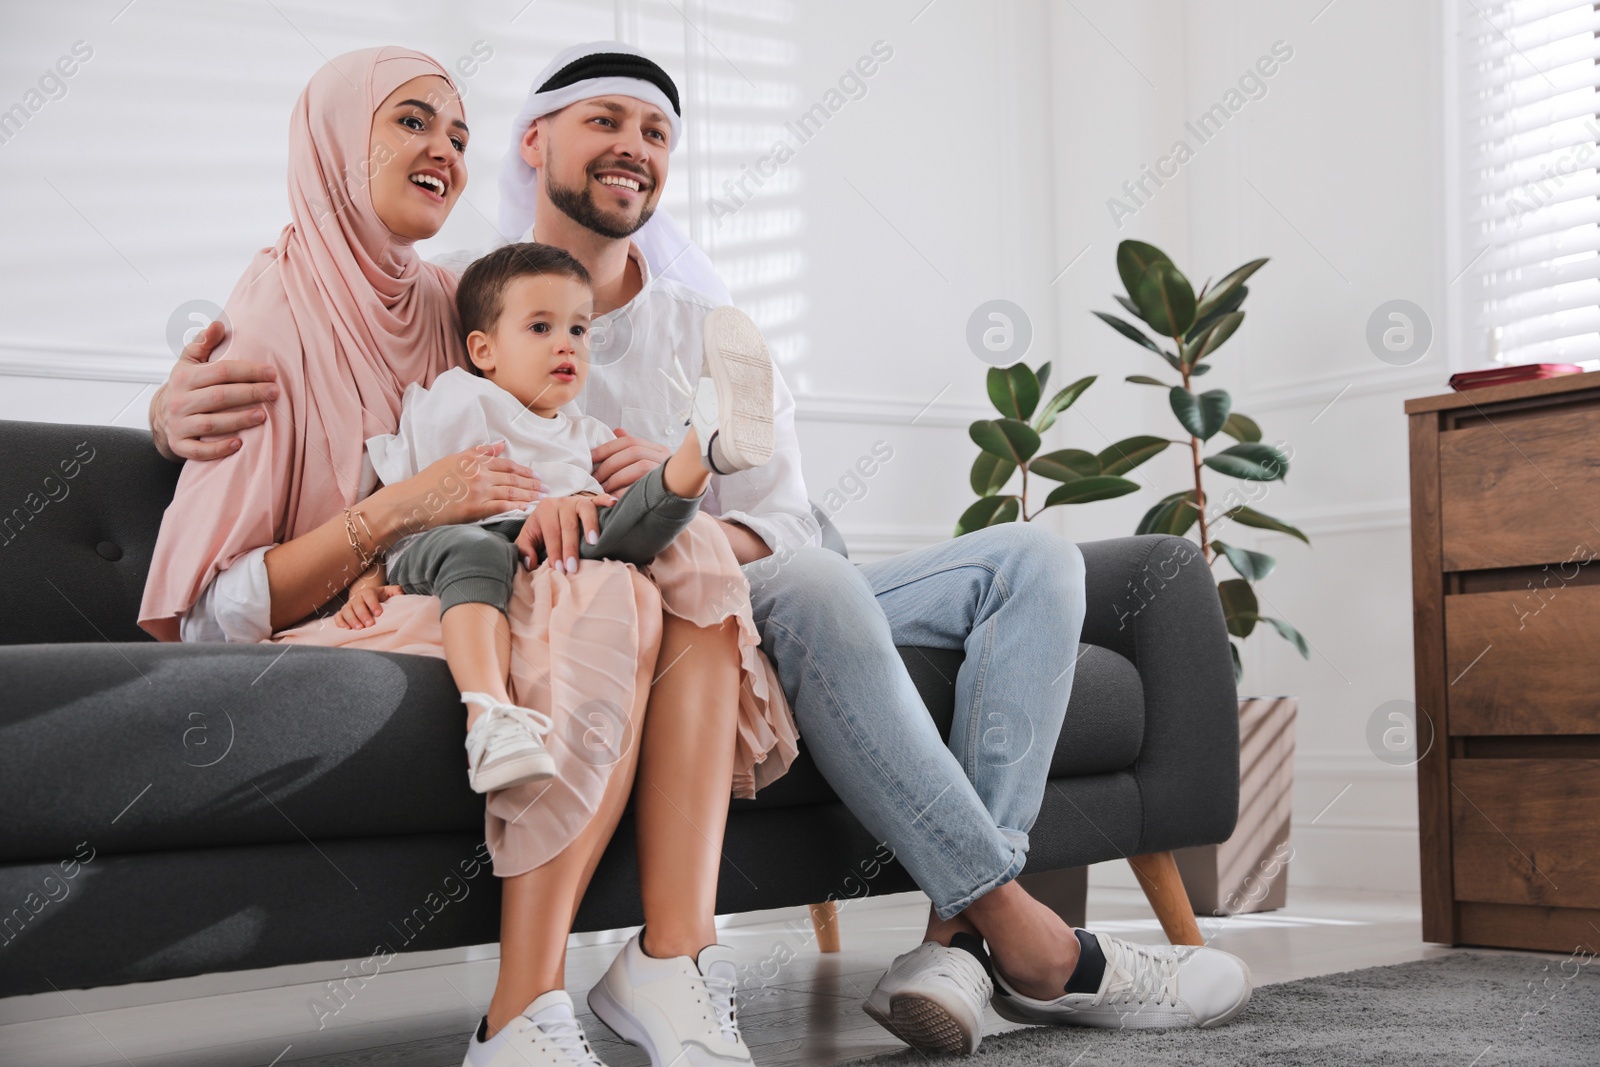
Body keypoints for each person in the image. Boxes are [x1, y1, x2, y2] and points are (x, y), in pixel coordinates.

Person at [149, 41, 1253, 1058]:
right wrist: (170, 408)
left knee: (1036, 560)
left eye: (658, 131)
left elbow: (784, 517)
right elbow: (366, 401)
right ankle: (1021, 933)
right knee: (792, 581)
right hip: (668, 582)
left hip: (754, 568)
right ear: (534, 141)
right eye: (605, 121)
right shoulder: (470, 294)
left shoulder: (701, 323)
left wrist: (677, 491)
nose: (635, 147)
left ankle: (954, 941)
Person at [137, 47, 795, 1067]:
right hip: (356, 606)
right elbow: (213, 613)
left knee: (695, 555)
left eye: (456, 132)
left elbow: (532, 399)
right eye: (409, 122)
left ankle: (673, 955)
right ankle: (520, 1011)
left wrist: (614, 467)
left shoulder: (445, 298)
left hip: (474, 566)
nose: (442, 147)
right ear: (333, 142)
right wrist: (388, 507)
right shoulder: (269, 320)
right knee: (605, 596)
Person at [335, 240, 778, 799]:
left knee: (620, 533)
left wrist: (611, 502)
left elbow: (616, 519)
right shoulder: (457, 398)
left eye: (579, 329)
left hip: (546, 546)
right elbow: (392, 498)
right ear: (484, 349)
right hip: (452, 544)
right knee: (482, 550)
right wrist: (367, 578)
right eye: (541, 328)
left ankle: (701, 455)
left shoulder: (585, 431)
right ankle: (490, 718)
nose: (567, 345)